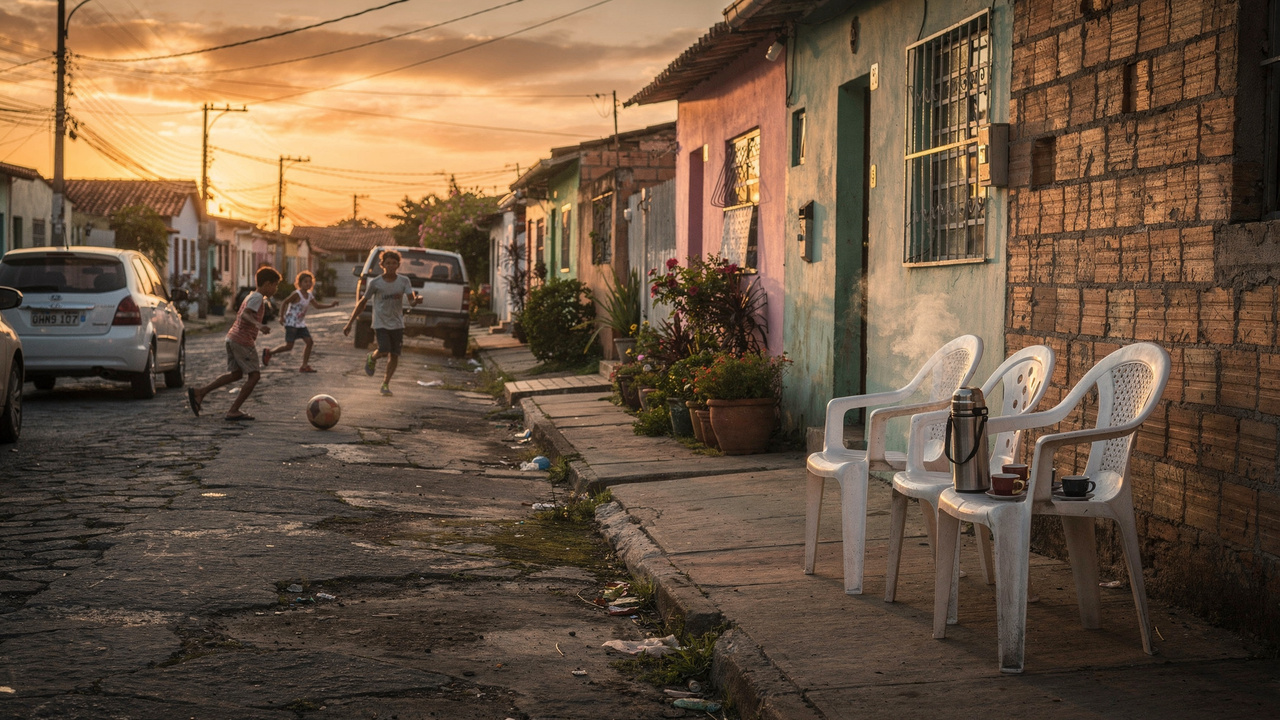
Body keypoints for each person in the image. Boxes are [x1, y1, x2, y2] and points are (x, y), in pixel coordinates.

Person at [187, 266, 281, 421]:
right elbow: (245, 314)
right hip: (242, 340)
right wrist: (259, 326)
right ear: (267, 284)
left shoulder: (252, 296)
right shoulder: (257, 298)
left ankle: (200, 392)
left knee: (236, 374)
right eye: (275, 285)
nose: (275, 289)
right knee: (255, 375)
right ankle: (234, 410)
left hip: (233, 337)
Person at [343, 250, 421, 396]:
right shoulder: (375, 283)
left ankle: (385, 384)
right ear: (382, 265)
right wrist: (350, 323)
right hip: (381, 323)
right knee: (384, 349)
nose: (391, 266)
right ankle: (372, 357)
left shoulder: (404, 281)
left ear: (398, 265)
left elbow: (411, 302)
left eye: (394, 263)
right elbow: (362, 302)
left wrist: (416, 300)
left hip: (397, 323)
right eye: (388, 263)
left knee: (395, 354)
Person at [263, 270, 339, 373]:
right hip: (291, 323)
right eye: (305, 281)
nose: (308, 284)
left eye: (309, 281)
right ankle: (269, 352)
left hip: (300, 324)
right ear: (300, 283)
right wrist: (281, 317)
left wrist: (331, 305)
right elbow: (285, 302)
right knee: (289, 346)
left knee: (310, 342)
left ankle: (304, 366)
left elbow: (317, 306)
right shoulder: (296, 294)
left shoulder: (309, 295)